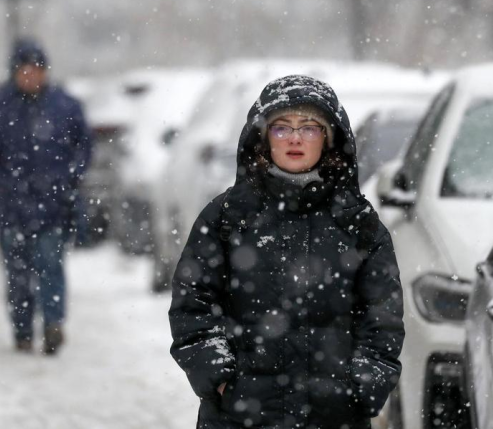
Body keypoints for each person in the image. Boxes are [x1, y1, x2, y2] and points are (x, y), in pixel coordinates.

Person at [169, 75, 405, 428]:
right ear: (263, 138)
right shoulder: (227, 218)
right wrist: (219, 377)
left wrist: (362, 386)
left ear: (328, 139)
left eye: (310, 128)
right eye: (282, 127)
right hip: (240, 416)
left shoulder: (358, 224)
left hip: (333, 416)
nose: (295, 137)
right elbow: (193, 305)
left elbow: (382, 318)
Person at [0, 37, 92, 355]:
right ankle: (22, 330)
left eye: (37, 70)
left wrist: (68, 179)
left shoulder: (65, 106)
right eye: (25, 70)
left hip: (53, 205)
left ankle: (53, 324)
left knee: (50, 264)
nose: (31, 76)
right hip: (12, 207)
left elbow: (83, 147)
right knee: (17, 273)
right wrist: (0, 185)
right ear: (14, 72)